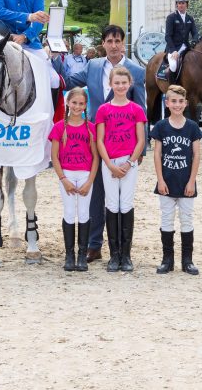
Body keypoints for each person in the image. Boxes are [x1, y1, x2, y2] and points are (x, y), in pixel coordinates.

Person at [65, 23, 146, 262]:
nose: (113, 45)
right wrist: (54, 59)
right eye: (109, 41)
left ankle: (120, 249)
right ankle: (94, 244)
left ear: (123, 43)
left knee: (120, 196)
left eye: (117, 41)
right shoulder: (92, 65)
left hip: (123, 143)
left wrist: (143, 146)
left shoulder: (135, 71)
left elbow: (141, 108)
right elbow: (69, 80)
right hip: (94, 139)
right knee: (96, 192)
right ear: (103, 43)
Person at [95, 66, 146, 273]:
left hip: (128, 162)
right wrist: (109, 164)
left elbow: (141, 140)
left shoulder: (136, 109)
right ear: (111, 84)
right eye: (117, 83)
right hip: (109, 162)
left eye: (124, 83)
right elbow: (99, 139)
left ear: (129, 84)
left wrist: (129, 163)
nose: (120, 86)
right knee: (111, 204)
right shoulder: (103, 110)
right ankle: (113, 255)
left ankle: (126, 255)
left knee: (126, 203)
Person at [151, 85, 202, 275]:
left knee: (187, 219)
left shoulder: (192, 127)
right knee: (166, 219)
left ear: (186, 103)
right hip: (166, 181)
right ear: (167, 103)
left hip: (185, 182)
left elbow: (196, 155)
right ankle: (167, 260)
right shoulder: (161, 127)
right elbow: (157, 154)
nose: (177, 104)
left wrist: (191, 181)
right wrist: (160, 180)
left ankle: (187, 260)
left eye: (181, 101)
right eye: (173, 101)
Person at [49, 87, 99, 272]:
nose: (77, 106)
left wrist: (89, 181)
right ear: (67, 103)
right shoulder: (59, 127)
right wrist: (63, 178)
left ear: (86, 105)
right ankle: (69, 255)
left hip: (85, 175)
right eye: (74, 103)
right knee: (69, 213)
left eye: (81, 103)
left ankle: (81, 255)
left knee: (84, 213)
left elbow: (96, 157)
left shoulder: (91, 128)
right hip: (67, 175)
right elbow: (54, 156)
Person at [157, 0, 199, 82]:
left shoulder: (190, 18)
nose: (181, 5)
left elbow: (195, 33)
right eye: (179, 3)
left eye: (183, 3)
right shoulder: (171, 17)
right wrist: (174, 51)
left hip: (186, 47)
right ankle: (172, 87)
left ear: (187, 4)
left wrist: (194, 41)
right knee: (173, 65)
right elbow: (168, 36)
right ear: (177, 4)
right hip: (174, 48)